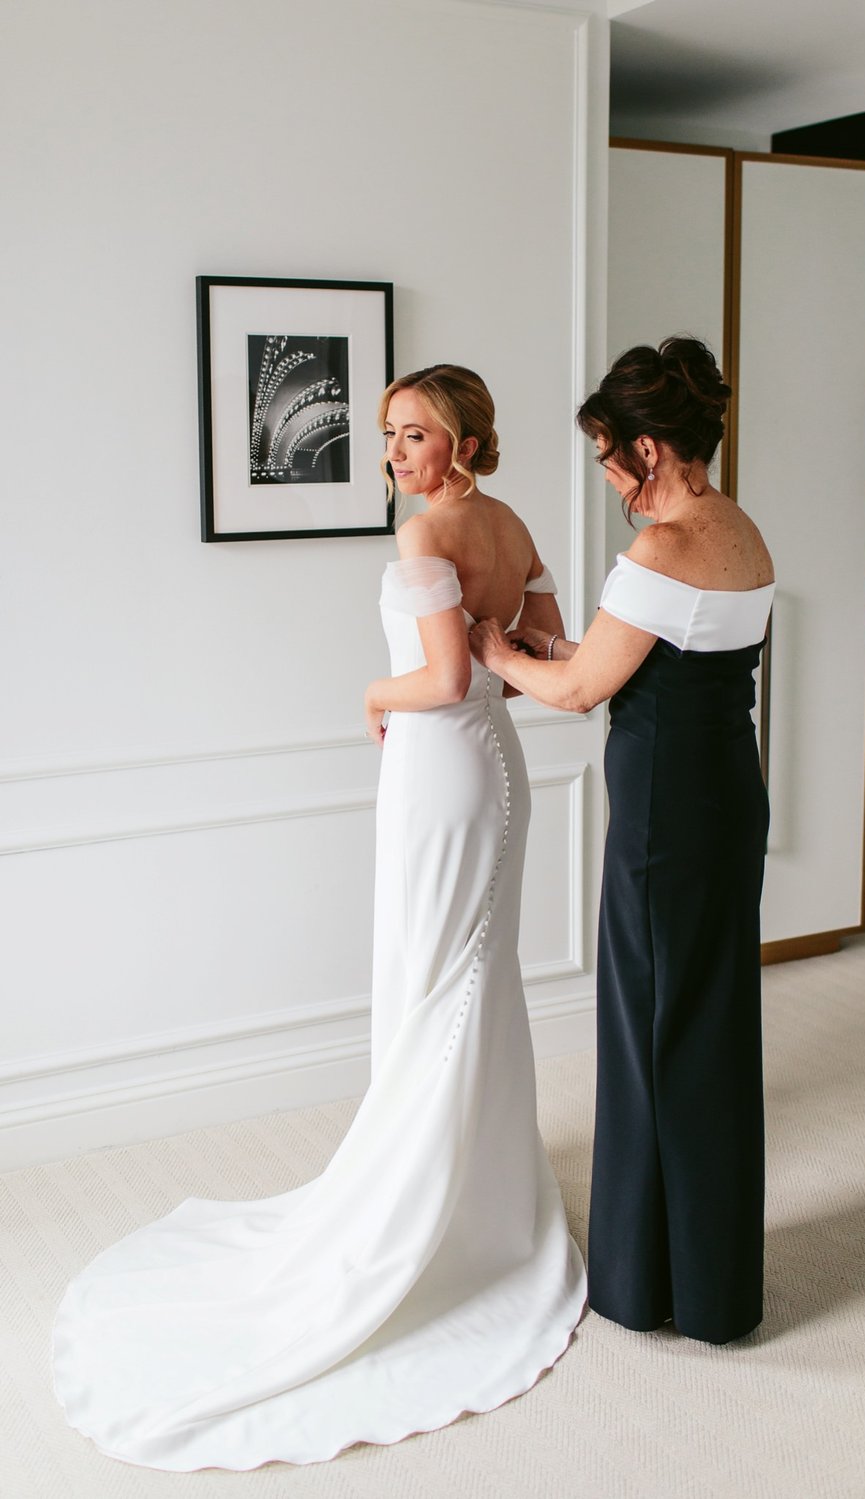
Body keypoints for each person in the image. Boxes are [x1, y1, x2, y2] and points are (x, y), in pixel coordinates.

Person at [52, 365, 586, 1470]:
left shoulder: (420, 534)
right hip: (497, 766)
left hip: (441, 766)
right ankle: (476, 1190)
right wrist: (489, 661)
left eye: (417, 434)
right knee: (462, 976)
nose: (396, 452)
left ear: (464, 442)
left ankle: (431, 1197)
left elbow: (436, 680)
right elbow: (538, 643)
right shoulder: (511, 521)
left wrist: (368, 694)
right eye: (391, 434)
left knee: (440, 973)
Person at [470, 336, 775, 1346]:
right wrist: (558, 645)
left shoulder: (659, 549)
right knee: (710, 1023)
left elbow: (581, 686)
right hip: (727, 793)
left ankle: (645, 1283)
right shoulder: (739, 531)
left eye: (607, 456)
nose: (607, 478)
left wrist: (495, 648)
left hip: (663, 817)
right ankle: (716, 1278)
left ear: (648, 449)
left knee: (649, 1030)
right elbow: (650, 653)